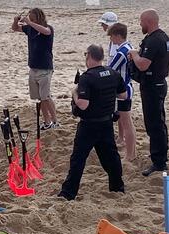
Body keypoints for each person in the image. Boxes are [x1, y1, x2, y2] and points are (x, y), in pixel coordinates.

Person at [58, 45, 127, 201]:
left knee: (78, 159)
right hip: (106, 122)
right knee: (111, 157)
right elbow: (123, 95)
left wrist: (74, 93)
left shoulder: (87, 77)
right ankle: (117, 187)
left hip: (89, 125)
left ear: (89, 56)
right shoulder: (113, 73)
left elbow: (83, 104)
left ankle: (68, 193)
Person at [129, 9, 169, 176]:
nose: (140, 24)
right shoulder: (164, 38)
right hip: (159, 82)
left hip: (153, 85)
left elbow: (143, 65)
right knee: (158, 122)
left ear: (148, 21)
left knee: (154, 124)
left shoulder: (154, 40)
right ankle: (159, 156)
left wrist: (134, 54)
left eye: (141, 21)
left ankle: (159, 162)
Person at [12, 8, 59, 130]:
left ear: (39, 18)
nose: (30, 21)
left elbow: (46, 32)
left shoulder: (48, 28)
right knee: (40, 98)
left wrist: (30, 22)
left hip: (45, 69)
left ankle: (55, 121)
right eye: (30, 18)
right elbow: (15, 28)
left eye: (33, 19)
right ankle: (47, 121)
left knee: (46, 97)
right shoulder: (30, 29)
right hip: (33, 68)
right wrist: (15, 20)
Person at [107, 23, 136, 161]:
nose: (111, 40)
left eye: (112, 36)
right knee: (126, 122)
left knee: (127, 123)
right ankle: (131, 152)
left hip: (123, 90)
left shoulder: (121, 52)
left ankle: (130, 155)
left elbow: (110, 70)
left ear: (118, 35)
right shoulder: (129, 48)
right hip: (127, 87)